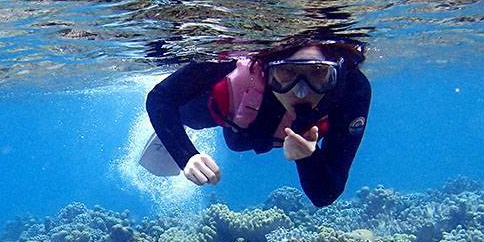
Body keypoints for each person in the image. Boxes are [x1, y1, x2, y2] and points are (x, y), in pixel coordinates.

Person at [142, 35, 371, 207]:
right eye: (286, 74)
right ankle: (171, 129)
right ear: (266, 69)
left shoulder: (352, 90)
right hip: (229, 111)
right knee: (186, 115)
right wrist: (186, 155)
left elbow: (325, 194)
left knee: (237, 141)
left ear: (336, 74)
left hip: (256, 132)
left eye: (318, 73)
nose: (301, 92)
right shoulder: (241, 63)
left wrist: (308, 157)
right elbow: (160, 98)